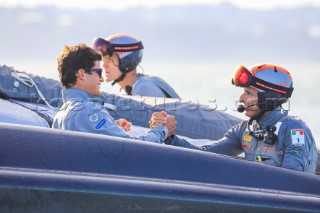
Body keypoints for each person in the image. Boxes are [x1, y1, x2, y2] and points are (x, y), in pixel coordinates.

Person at [151, 64, 318, 174]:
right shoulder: (244, 129)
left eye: (248, 93)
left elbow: (295, 180)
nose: (241, 98)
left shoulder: (294, 130)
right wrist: (169, 136)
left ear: (269, 99)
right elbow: (204, 154)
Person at [52, 43, 176, 143]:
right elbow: (133, 148)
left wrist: (111, 127)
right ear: (82, 74)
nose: (101, 79)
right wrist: (162, 130)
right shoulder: (88, 110)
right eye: (99, 73)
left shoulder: (60, 116)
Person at [91, 33, 180, 98]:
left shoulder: (144, 88)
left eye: (109, 59)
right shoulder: (126, 90)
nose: (104, 66)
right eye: (103, 59)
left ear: (126, 61)